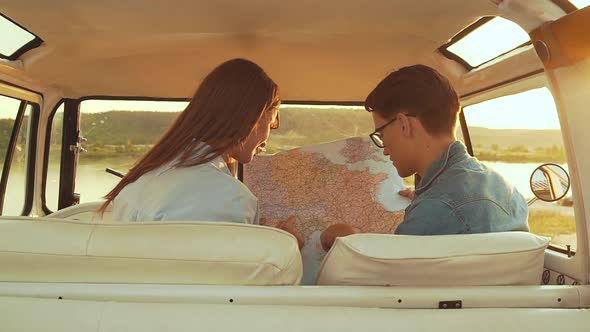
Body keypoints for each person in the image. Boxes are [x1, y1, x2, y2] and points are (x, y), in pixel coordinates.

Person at [98, 58, 280, 226]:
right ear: (252, 117)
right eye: (272, 124)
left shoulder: (139, 180)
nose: (268, 136)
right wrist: (282, 245)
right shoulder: (231, 199)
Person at [365, 64, 529, 235]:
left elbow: (390, 262)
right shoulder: (508, 190)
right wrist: (425, 200)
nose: (385, 150)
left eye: (382, 135)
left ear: (403, 124)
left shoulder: (433, 211)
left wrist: (347, 240)